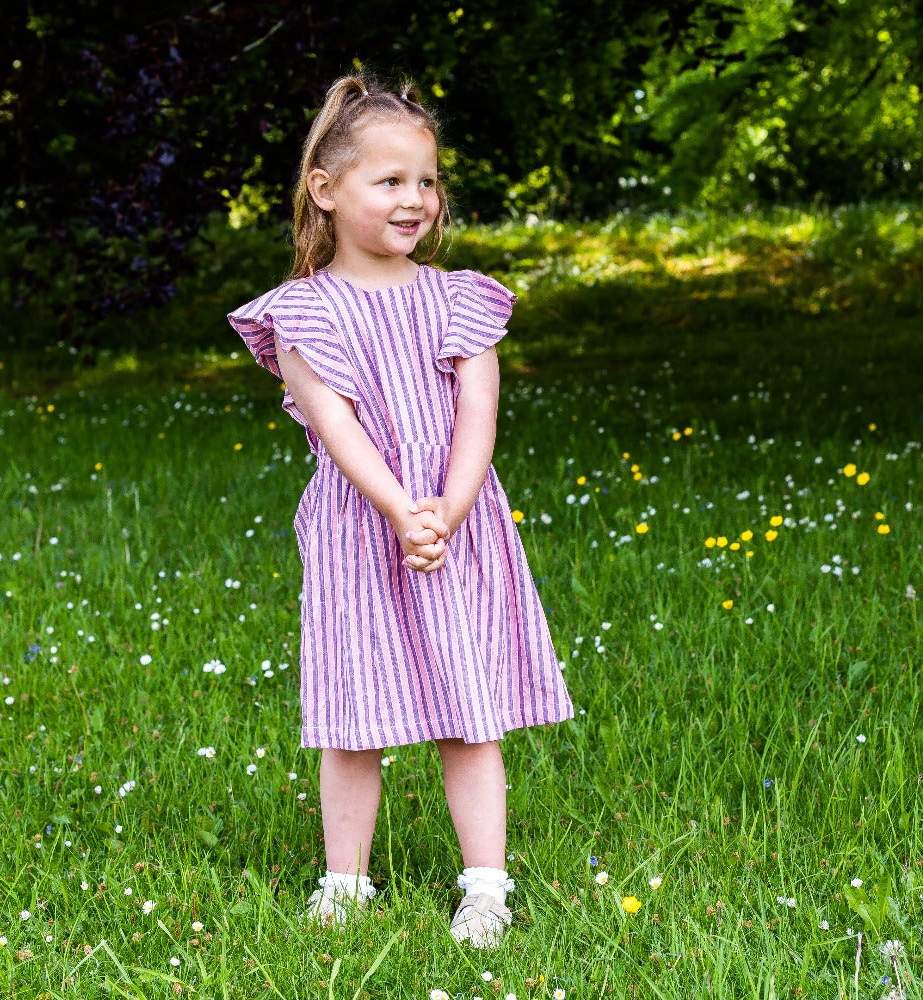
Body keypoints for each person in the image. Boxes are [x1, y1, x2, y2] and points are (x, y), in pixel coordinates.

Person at [227, 73, 572, 949]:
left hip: (457, 527)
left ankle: (485, 885)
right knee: (353, 716)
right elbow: (337, 428)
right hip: (359, 529)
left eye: (427, 180)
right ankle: (345, 882)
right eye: (390, 181)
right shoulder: (305, 311)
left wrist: (447, 512)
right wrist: (398, 511)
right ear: (326, 190)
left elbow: (478, 413)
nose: (416, 199)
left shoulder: (460, 297)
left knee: (469, 710)